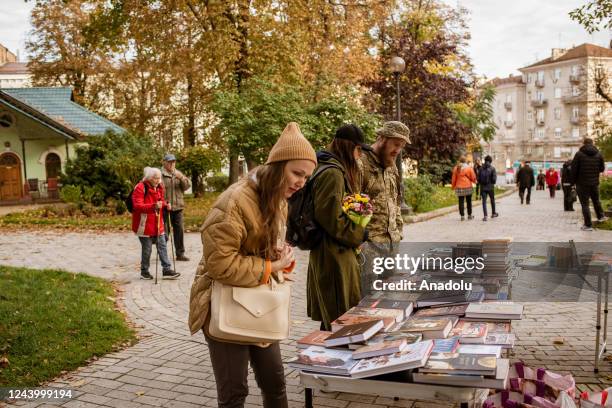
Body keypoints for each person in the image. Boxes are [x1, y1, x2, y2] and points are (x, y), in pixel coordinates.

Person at [188, 122, 316, 408]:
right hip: (223, 306)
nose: (300, 182)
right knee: (235, 394)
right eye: (297, 173)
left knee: (275, 384)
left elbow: (257, 248)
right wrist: (270, 268)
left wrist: (276, 253)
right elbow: (220, 264)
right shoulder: (233, 202)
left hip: (259, 304)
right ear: (277, 166)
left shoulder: (278, 199)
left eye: (306, 177)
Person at [308, 124, 370, 331]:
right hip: (334, 255)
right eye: (358, 149)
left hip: (333, 252)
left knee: (335, 321)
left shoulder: (328, 167)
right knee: (341, 322)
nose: (360, 155)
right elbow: (332, 219)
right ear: (347, 147)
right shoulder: (332, 173)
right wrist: (361, 233)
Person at [358, 121, 410, 296]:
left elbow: (395, 200)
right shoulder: (361, 163)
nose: (398, 150)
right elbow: (350, 204)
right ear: (381, 139)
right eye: (395, 144)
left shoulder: (391, 164)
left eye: (401, 146)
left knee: (389, 299)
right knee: (367, 301)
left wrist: (398, 231)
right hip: (369, 246)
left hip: (391, 245)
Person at [131, 167, 180, 280]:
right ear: (149, 178)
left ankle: (167, 270)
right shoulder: (140, 187)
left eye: (159, 178)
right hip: (144, 224)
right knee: (147, 249)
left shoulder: (159, 187)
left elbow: (160, 201)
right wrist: (153, 206)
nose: (158, 180)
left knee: (162, 245)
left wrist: (166, 204)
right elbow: (137, 206)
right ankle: (145, 271)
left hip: (158, 222)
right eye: (155, 178)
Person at [571, 138, 608, 231]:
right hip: (594, 183)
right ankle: (601, 216)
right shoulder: (599, 154)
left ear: (584, 144)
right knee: (596, 200)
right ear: (592, 143)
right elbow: (602, 169)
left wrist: (573, 183)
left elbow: (574, 170)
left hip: (582, 183)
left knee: (585, 204)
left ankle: (588, 225)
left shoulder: (579, 154)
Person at [162, 153, 192, 261]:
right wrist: (164, 203)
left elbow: (187, 187)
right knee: (165, 233)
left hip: (178, 207)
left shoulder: (178, 174)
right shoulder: (160, 175)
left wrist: (182, 178)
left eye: (173, 162)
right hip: (165, 208)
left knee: (179, 231)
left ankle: (180, 254)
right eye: (169, 162)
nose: (172, 164)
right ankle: (163, 254)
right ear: (164, 162)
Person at [451, 156, 477, 221]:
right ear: (465, 161)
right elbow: (473, 177)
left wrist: (453, 186)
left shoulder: (456, 168)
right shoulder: (469, 168)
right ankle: (469, 215)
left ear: (460, 161)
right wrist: (475, 181)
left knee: (461, 201)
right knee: (469, 201)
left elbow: (454, 179)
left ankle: (462, 216)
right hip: (468, 186)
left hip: (459, 187)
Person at [479, 155, 498, 221]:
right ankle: (493, 213)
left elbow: (478, 179)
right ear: (490, 161)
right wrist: (492, 182)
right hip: (490, 187)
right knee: (492, 200)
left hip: (483, 187)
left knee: (484, 202)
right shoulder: (492, 168)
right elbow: (494, 180)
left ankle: (485, 216)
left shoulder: (481, 168)